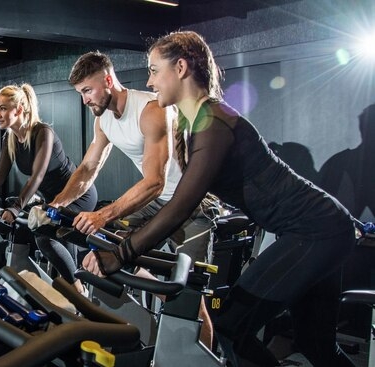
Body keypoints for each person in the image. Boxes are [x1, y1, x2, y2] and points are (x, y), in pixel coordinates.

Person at [82, 31, 356, 366]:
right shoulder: (198, 121)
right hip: (325, 228)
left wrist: (120, 255)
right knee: (315, 344)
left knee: (229, 328)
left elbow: (182, 205)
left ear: (180, 67)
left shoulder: (213, 122)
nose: (150, 82)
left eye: (154, 71)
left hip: (315, 231)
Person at [49, 51, 215, 346]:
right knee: (105, 250)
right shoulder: (104, 121)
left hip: (191, 205)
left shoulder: (149, 109)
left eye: (88, 90)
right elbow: (88, 168)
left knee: (190, 300)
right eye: (80, 93)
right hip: (159, 201)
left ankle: (201, 353)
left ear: (108, 80)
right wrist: (57, 204)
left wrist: (102, 215)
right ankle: (161, 299)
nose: (85, 100)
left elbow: (154, 181)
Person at [0, 83, 97, 293]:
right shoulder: (11, 138)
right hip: (53, 201)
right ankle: (72, 294)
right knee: (52, 242)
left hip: (76, 196)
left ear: (19, 109)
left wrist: (16, 207)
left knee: (44, 237)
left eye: (3, 108)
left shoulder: (43, 133)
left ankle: (79, 291)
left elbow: (37, 176)